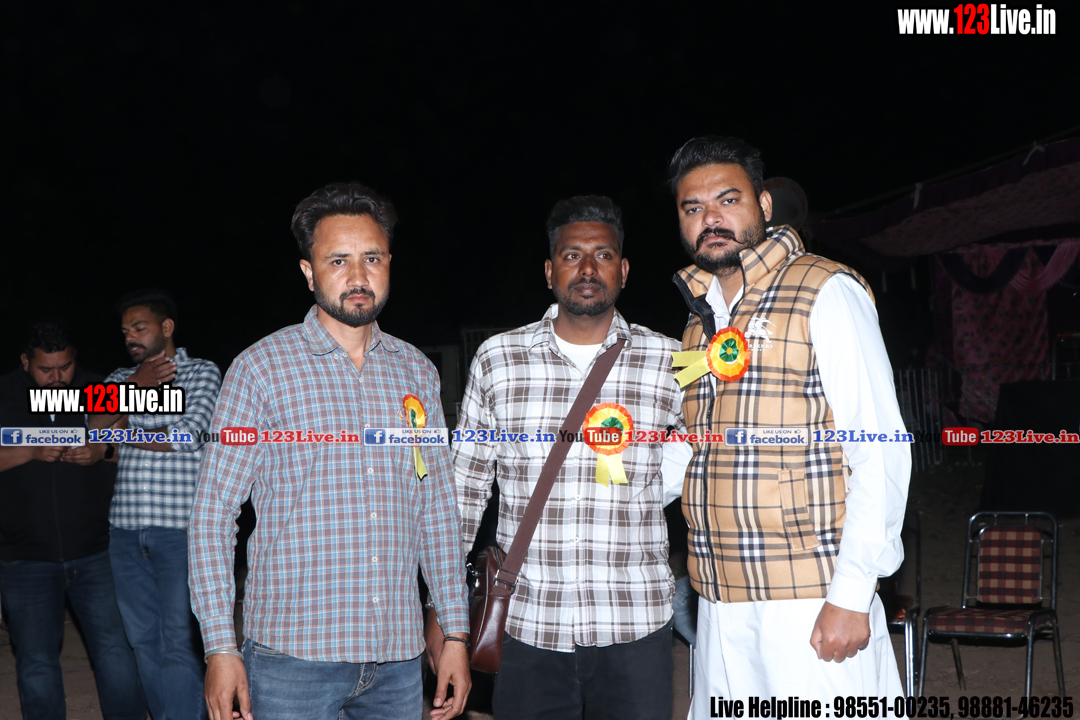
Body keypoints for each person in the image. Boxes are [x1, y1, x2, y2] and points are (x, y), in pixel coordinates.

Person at [189, 181, 472, 720]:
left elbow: (436, 508)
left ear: (389, 264)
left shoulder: (416, 371)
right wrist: (220, 647)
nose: (358, 276)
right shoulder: (260, 369)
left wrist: (454, 631)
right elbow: (214, 513)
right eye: (338, 260)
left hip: (397, 658)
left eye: (372, 258)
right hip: (292, 658)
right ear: (308, 271)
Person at [667, 136, 910, 711]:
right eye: (693, 208)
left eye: (728, 200)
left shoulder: (824, 289)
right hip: (719, 601)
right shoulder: (698, 324)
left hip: (810, 597)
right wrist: (609, 473)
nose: (711, 219)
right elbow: (692, 447)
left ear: (764, 205)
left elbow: (879, 446)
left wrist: (852, 592)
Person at [447, 196, 691, 719]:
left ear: (623, 271)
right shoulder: (498, 360)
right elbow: (464, 492)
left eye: (603, 255)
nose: (587, 269)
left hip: (635, 624)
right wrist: (444, 615)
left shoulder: (670, 360)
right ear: (549, 270)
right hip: (528, 626)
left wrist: (651, 487)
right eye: (572, 255)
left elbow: (706, 446)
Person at [0, 322, 146, 720]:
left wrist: (100, 450)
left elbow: (133, 444)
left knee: (115, 650)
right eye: (46, 369)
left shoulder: (99, 389)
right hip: (23, 556)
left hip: (97, 551)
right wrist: (30, 451)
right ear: (25, 362)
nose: (57, 378)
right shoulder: (5, 394)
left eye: (65, 367)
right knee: (36, 660)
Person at [91, 290, 222, 720]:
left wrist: (122, 429)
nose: (130, 336)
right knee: (143, 640)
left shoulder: (202, 372)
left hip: (179, 530)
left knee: (179, 640)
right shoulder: (118, 378)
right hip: (124, 532)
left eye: (139, 327)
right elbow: (92, 426)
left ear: (166, 328)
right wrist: (134, 388)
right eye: (125, 330)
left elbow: (188, 435)